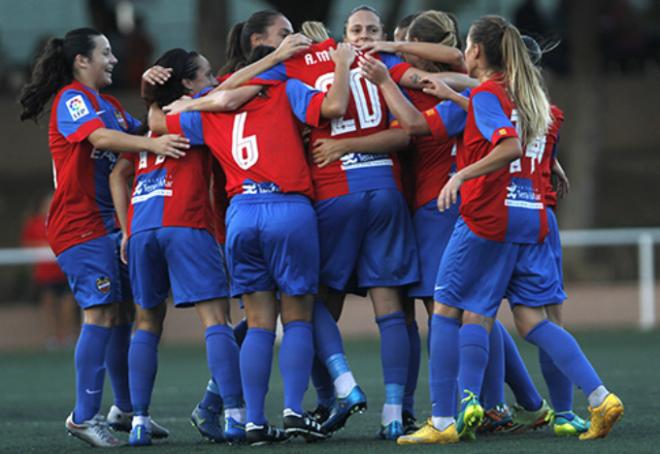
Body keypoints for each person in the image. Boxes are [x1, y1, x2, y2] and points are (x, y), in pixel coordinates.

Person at [361, 15, 623, 444]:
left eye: (467, 46)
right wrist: (455, 96)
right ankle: (593, 398)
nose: (463, 53)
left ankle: (447, 419)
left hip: (489, 214)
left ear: (477, 52)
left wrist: (460, 175)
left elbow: (503, 143)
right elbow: (519, 134)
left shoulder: (487, 93)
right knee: (533, 320)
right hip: (535, 216)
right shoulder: (536, 102)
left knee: (448, 311)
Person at [151, 42, 356, 446]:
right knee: (297, 317)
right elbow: (332, 107)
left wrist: (153, 94)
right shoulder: (285, 89)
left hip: (242, 213)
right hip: (288, 208)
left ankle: (254, 422)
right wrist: (343, 65)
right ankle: (295, 411)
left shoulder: (209, 108)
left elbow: (158, 123)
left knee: (259, 324)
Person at [19, 27, 188, 447]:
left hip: (107, 223)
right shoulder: (72, 99)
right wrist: (159, 144)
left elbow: (146, 132)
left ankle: (125, 409)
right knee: (100, 313)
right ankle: (82, 416)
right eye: (106, 53)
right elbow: (102, 139)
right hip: (77, 223)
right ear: (82, 61)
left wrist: (154, 94)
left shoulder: (108, 104)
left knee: (122, 314)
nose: (113, 60)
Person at [109, 48, 246, 447]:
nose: (213, 80)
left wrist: (125, 229)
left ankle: (138, 421)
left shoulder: (143, 127)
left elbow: (120, 173)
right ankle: (236, 415)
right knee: (215, 320)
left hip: (142, 228)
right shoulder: (195, 115)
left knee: (147, 325)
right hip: (185, 221)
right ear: (187, 83)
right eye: (205, 74)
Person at [21, 192, 78, 349]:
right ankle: (52, 337)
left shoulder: (64, 221)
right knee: (49, 305)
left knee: (68, 304)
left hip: (65, 271)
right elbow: (28, 246)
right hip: (45, 274)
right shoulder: (33, 224)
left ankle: (69, 336)